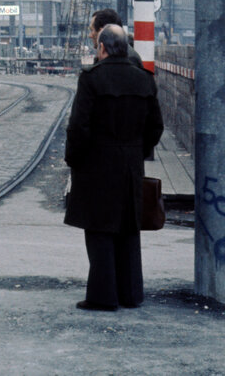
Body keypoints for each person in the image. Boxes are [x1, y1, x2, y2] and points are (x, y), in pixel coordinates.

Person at [64, 24, 164, 311]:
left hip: (96, 164)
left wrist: (74, 159)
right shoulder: (145, 79)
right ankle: (130, 294)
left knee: (99, 229)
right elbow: (156, 126)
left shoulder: (91, 79)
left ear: (102, 48)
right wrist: (137, 151)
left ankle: (102, 296)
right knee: (129, 228)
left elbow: (78, 127)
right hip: (131, 164)